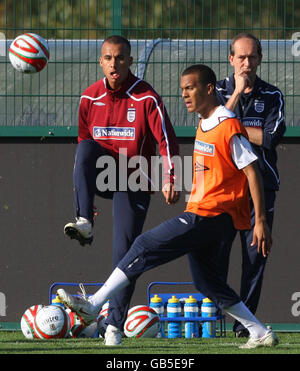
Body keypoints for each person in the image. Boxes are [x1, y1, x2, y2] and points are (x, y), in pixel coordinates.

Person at [57, 64, 278, 349]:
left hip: (211, 215)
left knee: (143, 245)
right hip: (206, 214)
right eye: (182, 89)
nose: (185, 94)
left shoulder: (227, 124)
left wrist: (259, 220)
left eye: (191, 88)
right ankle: (258, 331)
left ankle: (93, 304)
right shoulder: (206, 121)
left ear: (209, 89)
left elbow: (252, 171)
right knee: (207, 282)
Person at [63, 35, 180, 345]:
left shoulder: (146, 97)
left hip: (134, 181)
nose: (114, 63)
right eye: (108, 58)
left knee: (124, 254)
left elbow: (166, 139)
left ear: (130, 61)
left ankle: (114, 326)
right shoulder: (89, 98)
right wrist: (87, 194)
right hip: (105, 175)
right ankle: (85, 221)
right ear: (101, 62)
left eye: (120, 58)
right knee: (86, 149)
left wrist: (170, 177)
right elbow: (83, 149)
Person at [216, 33, 286, 337]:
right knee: (214, 256)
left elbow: (270, 138)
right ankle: (212, 319)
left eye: (251, 57)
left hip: (261, 187)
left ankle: (244, 327)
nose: (246, 63)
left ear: (259, 59)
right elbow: (213, 126)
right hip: (223, 188)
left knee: (255, 259)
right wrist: (236, 97)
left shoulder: (273, 96)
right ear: (231, 59)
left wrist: (233, 129)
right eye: (240, 57)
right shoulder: (216, 90)